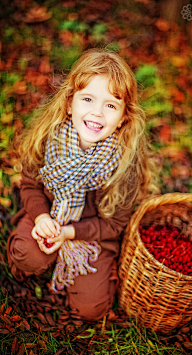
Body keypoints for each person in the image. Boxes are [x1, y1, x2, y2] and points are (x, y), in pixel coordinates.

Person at [7, 48, 157, 321]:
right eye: (87, 99)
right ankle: (38, 254)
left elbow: (112, 225)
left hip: (91, 233)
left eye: (111, 105)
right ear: (69, 103)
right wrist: (41, 217)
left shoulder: (124, 166)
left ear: (124, 116)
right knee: (25, 255)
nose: (97, 113)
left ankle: (98, 271)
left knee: (91, 310)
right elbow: (29, 185)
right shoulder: (48, 139)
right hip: (49, 214)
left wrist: (68, 233)